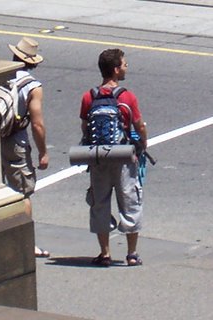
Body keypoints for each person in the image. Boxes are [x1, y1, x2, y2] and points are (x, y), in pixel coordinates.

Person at [80, 48, 147, 267]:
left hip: (98, 158)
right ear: (116, 69)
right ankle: (131, 253)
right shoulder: (127, 96)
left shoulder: (89, 96)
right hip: (124, 157)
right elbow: (138, 126)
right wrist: (142, 146)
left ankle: (105, 253)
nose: (126, 67)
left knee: (100, 203)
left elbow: (84, 127)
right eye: (124, 64)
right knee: (129, 201)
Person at [1, 37, 50, 258]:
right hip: (15, 139)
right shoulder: (32, 86)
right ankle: (25, 243)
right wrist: (43, 152)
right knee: (22, 193)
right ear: (33, 62)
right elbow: (37, 124)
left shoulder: (0, 76)